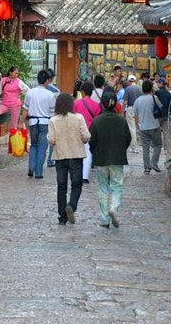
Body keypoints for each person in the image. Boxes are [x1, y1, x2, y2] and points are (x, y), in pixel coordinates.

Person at [90, 90, 131, 228]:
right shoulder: (122, 120)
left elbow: (92, 141)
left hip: (101, 159)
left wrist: (94, 152)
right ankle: (113, 207)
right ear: (115, 105)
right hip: (117, 158)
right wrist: (120, 149)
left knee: (102, 188)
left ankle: (104, 219)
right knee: (117, 186)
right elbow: (128, 139)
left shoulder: (96, 121)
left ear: (102, 104)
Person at [48, 93, 91, 225]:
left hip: (60, 156)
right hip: (76, 155)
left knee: (61, 186)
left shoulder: (53, 120)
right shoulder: (78, 118)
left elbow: (51, 140)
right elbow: (86, 136)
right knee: (76, 184)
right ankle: (71, 206)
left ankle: (62, 216)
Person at [20, 69, 56, 179]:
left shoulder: (30, 92)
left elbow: (25, 110)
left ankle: (31, 167)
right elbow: (52, 112)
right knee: (42, 147)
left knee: (34, 145)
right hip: (45, 122)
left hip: (32, 122)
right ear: (47, 81)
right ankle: (39, 172)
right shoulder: (50, 94)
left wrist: (21, 122)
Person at [0, 66, 30, 138]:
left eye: (17, 74)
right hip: (4, 104)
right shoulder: (3, 80)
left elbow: (28, 90)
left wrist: (25, 99)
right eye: (15, 73)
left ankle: (13, 142)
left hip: (15, 105)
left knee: (13, 126)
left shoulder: (19, 81)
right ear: (10, 72)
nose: (16, 75)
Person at [133, 80, 163, 174]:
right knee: (158, 145)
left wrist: (137, 127)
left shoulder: (138, 100)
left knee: (145, 148)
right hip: (154, 125)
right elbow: (161, 107)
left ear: (142, 89)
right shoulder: (154, 98)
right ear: (151, 89)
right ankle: (154, 162)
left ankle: (147, 168)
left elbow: (136, 115)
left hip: (143, 127)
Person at [74, 81, 101, 184]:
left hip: (77, 131)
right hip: (90, 131)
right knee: (88, 153)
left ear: (82, 91)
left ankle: (76, 173)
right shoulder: (96, 105)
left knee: (77, 152)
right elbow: (97, 119)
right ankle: (85, 176)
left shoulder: (75, 103)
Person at [122, 75, 143, 152]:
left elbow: (125, 102)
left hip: (131, 108)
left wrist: (122, 111)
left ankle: (134, 146)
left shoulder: (128, 89)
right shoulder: (140, 89)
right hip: (139, 108)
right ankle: (138, 143)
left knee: (131, 127)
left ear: (128, 81)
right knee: (138, 126)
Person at [44, 69, 60, 167]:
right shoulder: (56, 91)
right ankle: (50, 160)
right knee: (51, 139)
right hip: (52, 118)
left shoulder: (36, 90)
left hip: (39, 118)